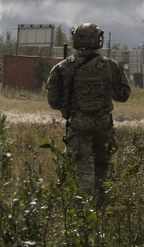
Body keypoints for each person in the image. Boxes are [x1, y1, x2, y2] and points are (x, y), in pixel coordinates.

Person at [46, 22, 131, 203]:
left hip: (79, 127)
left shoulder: (63, 68)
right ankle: (102, 213)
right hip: (104, 128)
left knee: (82, 173)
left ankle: (82, 216)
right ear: (96, 39)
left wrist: (69, 105)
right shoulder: (110, 66)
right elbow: (123, 95)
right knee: (103, 173)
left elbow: (53, 100)